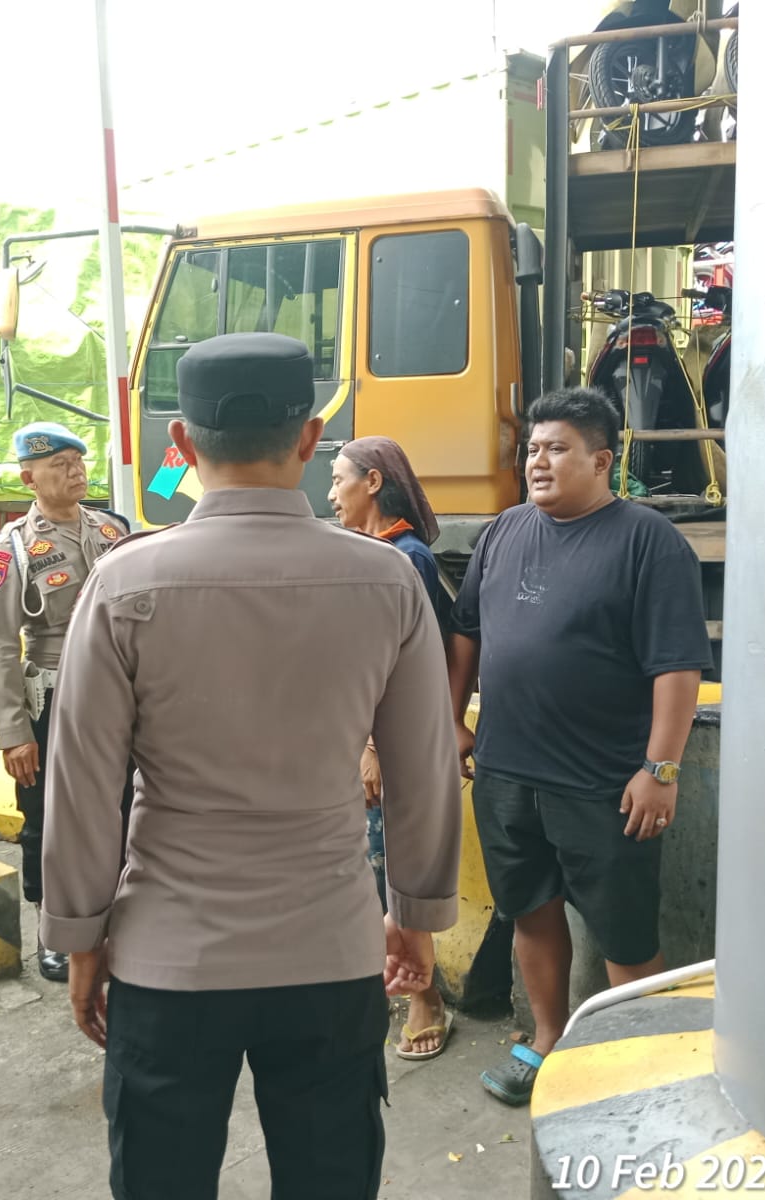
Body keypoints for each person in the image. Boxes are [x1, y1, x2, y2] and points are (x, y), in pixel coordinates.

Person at [40, 332, 463, 1199]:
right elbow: (423, 770)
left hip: (168, 957)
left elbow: (82, 786)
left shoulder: (123, 584)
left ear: (183, 444)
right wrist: (414, 916)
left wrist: (78, 939)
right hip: (331, 949)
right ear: (309, 438)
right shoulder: (388, 582)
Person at [449, 386, 710, 1107]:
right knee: (530, 910)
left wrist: (660, 769)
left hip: (603, 783)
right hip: (506, 773)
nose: (537, 461)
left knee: (625, 932)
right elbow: (465, 632)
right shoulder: (503, 532)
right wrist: (451, 720)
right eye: (532, 448)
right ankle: (547, 1040)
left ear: (601, 461)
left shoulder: (647, 542)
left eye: (556, 448)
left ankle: (637, 1068)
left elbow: (676, 666)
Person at [0, 420, 131, 982]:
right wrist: (14, 732)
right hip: (53, 697)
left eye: (78, 463)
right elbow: (0, 644)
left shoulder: (113, 530)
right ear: (29, 479)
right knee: (47, 819)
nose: (75, 473)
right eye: (59, 466)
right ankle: (53, 929)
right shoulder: (13, 549)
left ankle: (116, 918)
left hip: (118, 694)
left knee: (123, 806)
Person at [329, 436, 461, 1063]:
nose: (332, 493)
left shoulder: (408, 559)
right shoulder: (361, 552)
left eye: (339, 479)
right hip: (350, 739)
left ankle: (424, 998)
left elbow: (406, 672)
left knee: (391, 868)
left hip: (384, 745)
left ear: (374, 482)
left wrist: (373, 748)